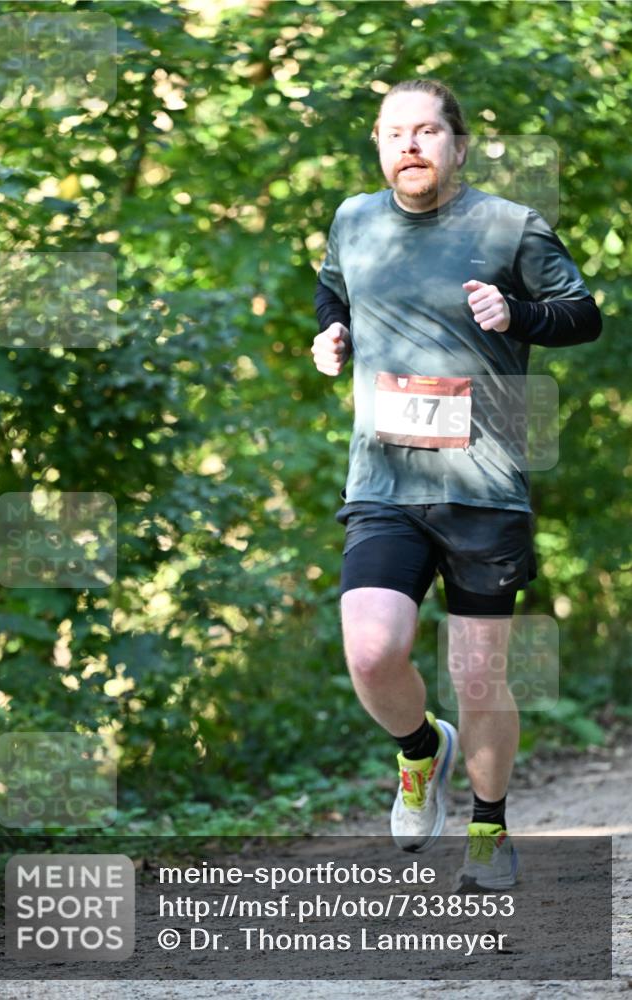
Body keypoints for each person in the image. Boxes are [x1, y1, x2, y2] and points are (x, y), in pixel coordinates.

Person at [311, 78, 602, 888]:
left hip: (484, 485)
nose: (409, 144)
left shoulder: (510, 226)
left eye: (426, 131)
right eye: (393, 132)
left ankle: (488, 829)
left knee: (478, 677)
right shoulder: (352, 220)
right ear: (377, 144)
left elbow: (582, 313)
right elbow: (333, 287)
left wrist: (518, 315)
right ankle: (417, 751)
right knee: (372, 652)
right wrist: (328, 331)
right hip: (384, 480)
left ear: (457, 145)